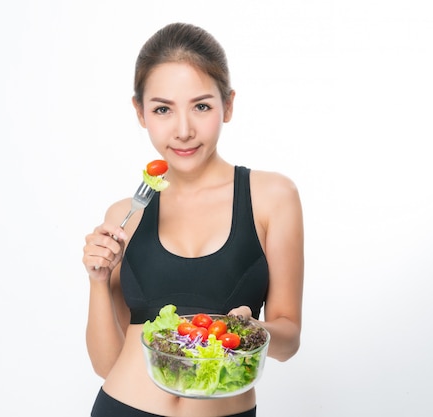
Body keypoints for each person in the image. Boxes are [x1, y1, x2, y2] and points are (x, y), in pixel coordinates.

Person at [82, 22, 304, 417]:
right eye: (162, 109)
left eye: (201, 106)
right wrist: (98, 281)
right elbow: (105, 364)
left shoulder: (272, 198)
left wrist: (254, 331)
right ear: (140, 112)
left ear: (228, 105)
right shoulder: (124, 215)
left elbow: (288, 341)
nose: (183, 131)